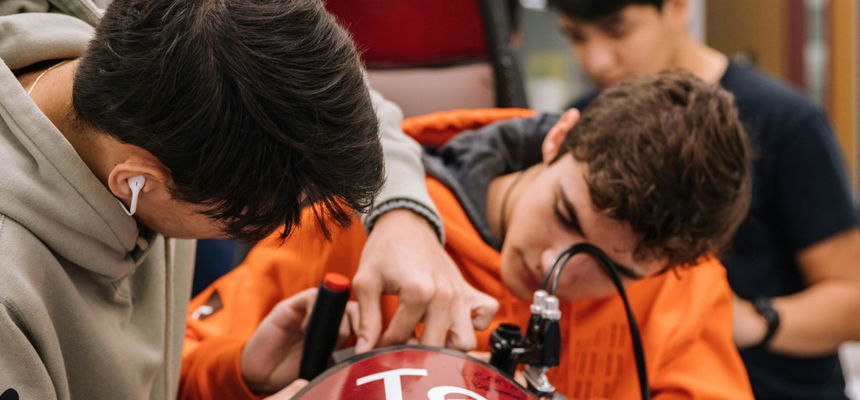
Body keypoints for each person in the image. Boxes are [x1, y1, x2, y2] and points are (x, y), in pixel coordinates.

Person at [0, 0, 497, 399]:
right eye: (246, 224)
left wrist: (402, 215)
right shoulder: (10, 296)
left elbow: (358, 103)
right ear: (136, 181)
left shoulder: (166, 33)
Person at [182, 71, 755, 399]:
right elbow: (169, 372)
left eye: (614, 271)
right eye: (566, 215)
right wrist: (244, 377)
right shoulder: (363, 219)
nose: (557, 264)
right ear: (558, 136)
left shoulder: (687, 290)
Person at [546, 1, 860, 398]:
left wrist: (753, 319)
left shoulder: (786, 122)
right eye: (576, 37)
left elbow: (852, 301)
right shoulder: (579, 121)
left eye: (618, 30)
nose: (597, 59)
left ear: (677, 8)